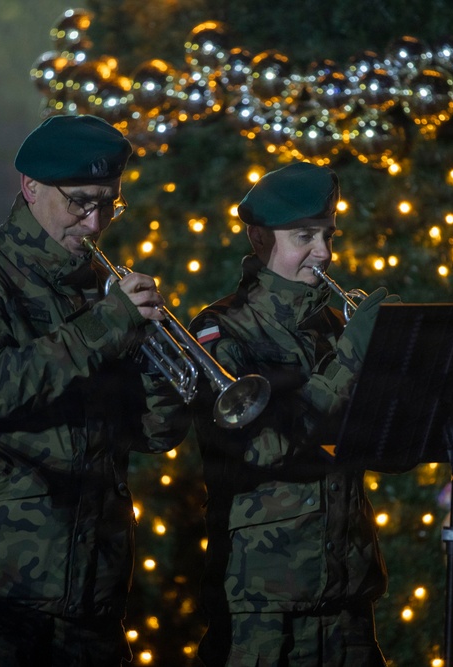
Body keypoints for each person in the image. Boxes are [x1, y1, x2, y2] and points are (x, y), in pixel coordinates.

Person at [0, 114, 190, 666]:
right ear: (31, 187)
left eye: (109, 204)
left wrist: (162, 366)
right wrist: (107, 327)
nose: (95, 223)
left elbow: (152, 435)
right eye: (81, 202)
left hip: (92, 586)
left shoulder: (100, 292)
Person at [187, 161, 398, 666]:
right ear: (259, 239)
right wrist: (352, 356)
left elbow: (383, 445)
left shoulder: (332, 325)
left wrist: (396, 361)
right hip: (264, 603)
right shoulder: (222, 332)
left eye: (328, 236)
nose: (322, 253)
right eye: (304, 236)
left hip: (348, 593)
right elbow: (266, 445)